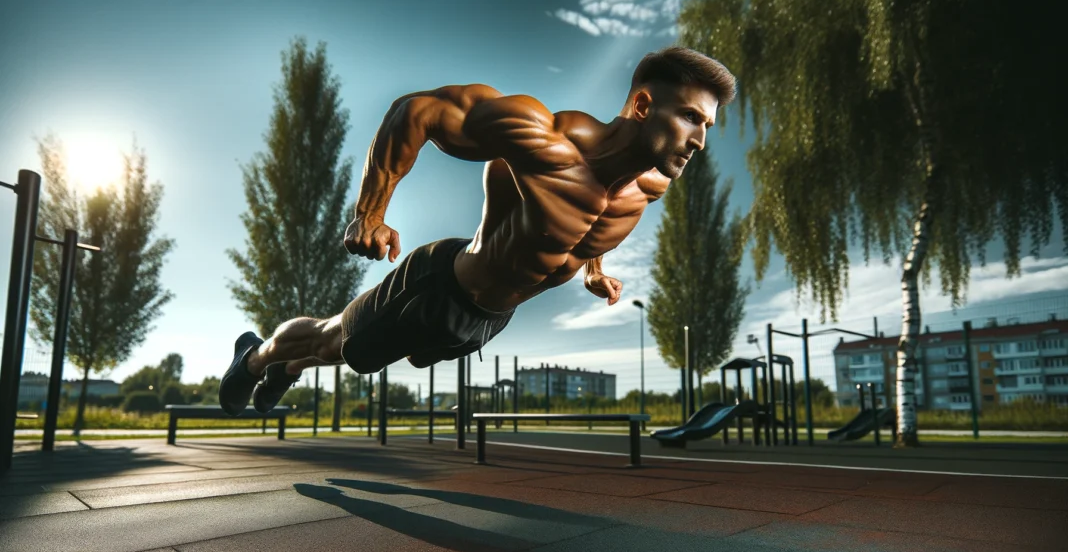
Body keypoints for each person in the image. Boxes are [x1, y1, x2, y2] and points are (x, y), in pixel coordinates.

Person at [219, 45, 736, 416]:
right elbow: (416, 111)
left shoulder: (650, 186)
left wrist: (595, 271)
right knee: (335, 339)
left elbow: (589, 229)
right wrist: (370, 215)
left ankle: (288, 369)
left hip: (491, 317)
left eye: (708, 126)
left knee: (356, 356)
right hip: (441, 285)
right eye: (691, 118)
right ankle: (257, 356)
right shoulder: (550, 144)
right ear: (644, 107)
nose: (700, 141)